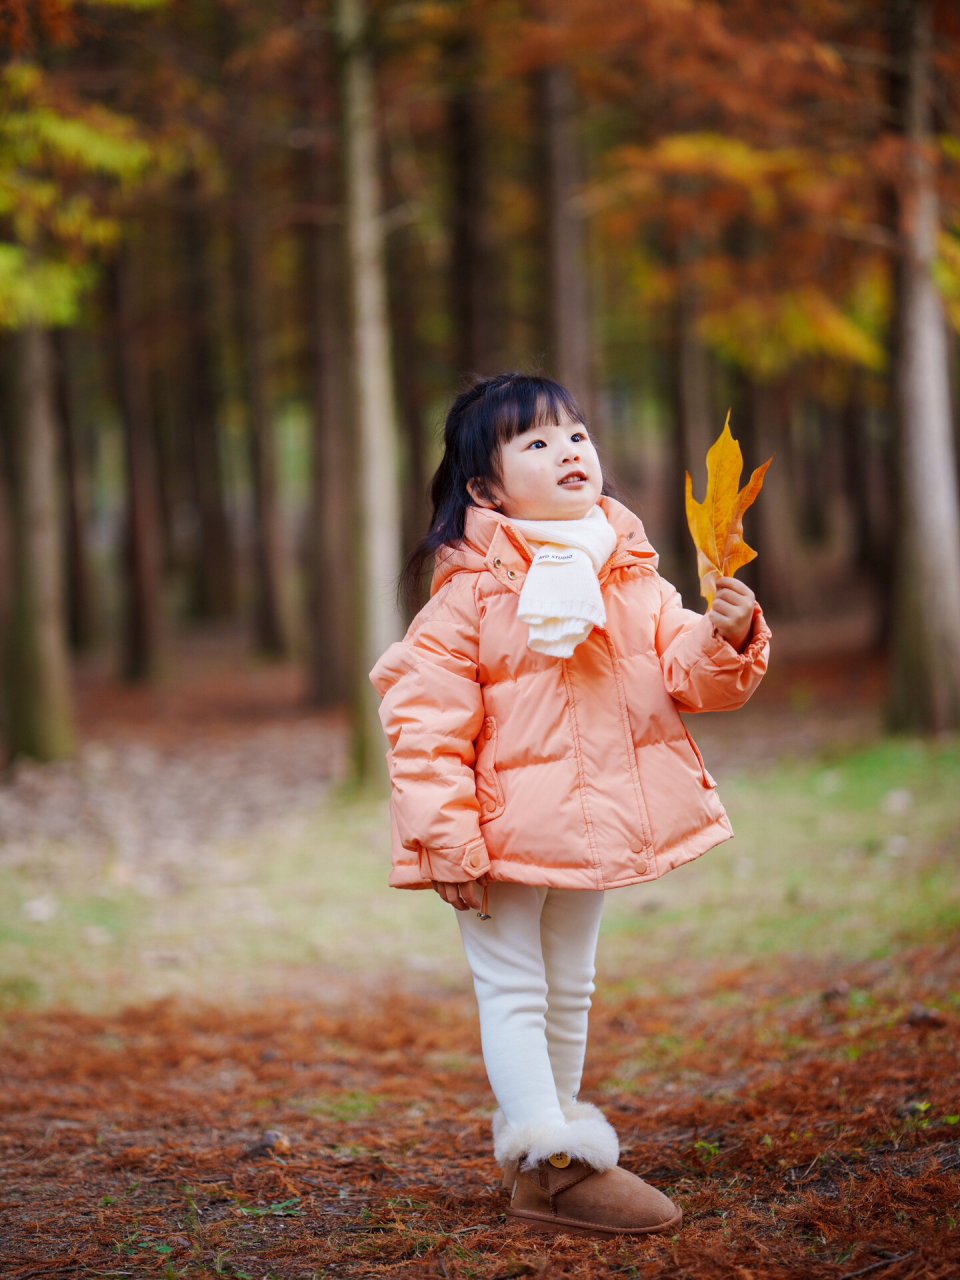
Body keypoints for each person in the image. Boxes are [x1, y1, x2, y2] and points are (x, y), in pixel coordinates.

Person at [369, 373, 771, 1238]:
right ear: (487, 489)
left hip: (588, 830)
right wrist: (449, 841)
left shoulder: (629, 575)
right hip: (496, 837)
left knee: (570, 987)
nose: (569, 452)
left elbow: (688, 675)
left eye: (577, 435)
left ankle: (551, 1156)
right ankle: (552, 1166)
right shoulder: (469, 596)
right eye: (538, 442)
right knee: (514, 986)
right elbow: (423, 725)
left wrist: (727, 634)